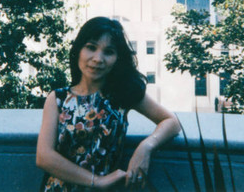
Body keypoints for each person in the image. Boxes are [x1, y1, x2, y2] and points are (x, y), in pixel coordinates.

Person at [36, 17, 181, 191]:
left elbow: (172, 122)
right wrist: (96, 181)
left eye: (108, 52)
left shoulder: (122, 94)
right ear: (78, 50)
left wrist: (146, 147)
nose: (98, 58)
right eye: (91, 47)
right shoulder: (58, 98)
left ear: (117, 58)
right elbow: (44, 156)